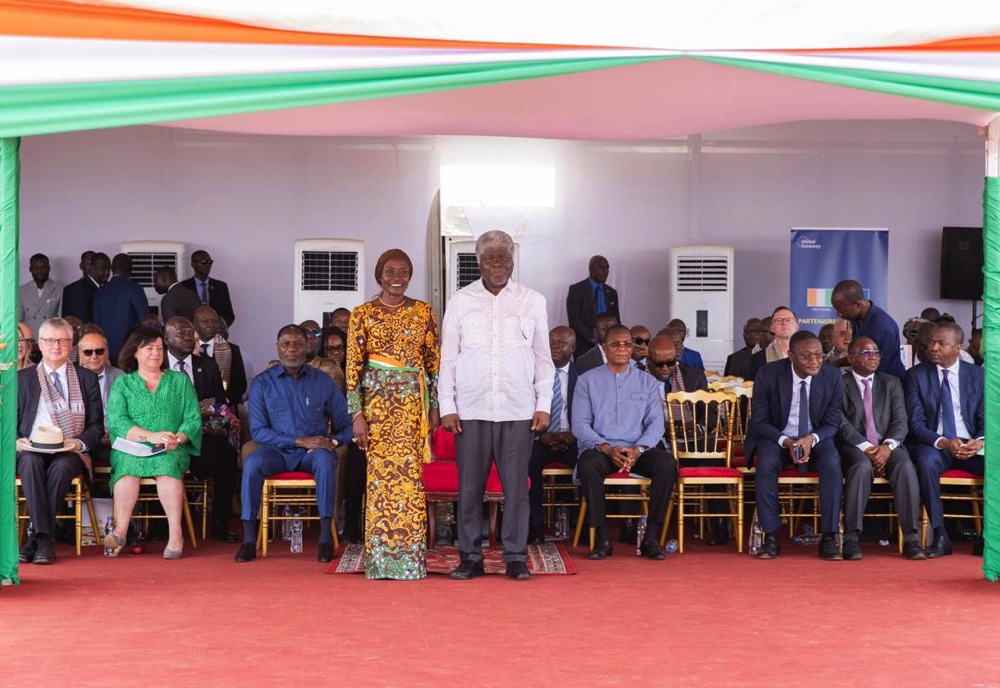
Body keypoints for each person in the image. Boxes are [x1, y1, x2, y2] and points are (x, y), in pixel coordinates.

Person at [439, 230, 553, 581]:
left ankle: (515, 557)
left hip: (518, 410)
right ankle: (470, 556)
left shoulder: (533, 301)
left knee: (516, 489)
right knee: (470, 488)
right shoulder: (460, 300)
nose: (497, 264)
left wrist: (543, 403)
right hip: (470, 410)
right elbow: (449, 358)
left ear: (513, 260)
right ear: (479, 262)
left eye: (503, 257)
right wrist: (447, 405)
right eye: (490, 258)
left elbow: (543, 358)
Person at [346, 249, 440, 580]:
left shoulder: (423, 312)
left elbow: (433, 363)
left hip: (413, 406)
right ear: (379, 275)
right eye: (390, 271)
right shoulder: (361, 314)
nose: (396, 276)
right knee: (380, 481)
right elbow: (353, 369)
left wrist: (435, 407)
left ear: (410, 275)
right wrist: (356, 414)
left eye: (403, 271)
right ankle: (382, 561)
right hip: (376, 407)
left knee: (410, 481)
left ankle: (410, 561)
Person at [236, 325, 352, 563]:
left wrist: (333, 441)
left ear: (308, 347)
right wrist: (298, 440)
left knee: (324, 460)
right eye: (286, 344)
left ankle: (324, 539)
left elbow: (346, 424)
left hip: (311, 453)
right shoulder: (262, 383)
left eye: (299, 344)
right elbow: (258, 431)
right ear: (278, 348)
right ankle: (248, 539)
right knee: (253, 462)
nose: (292, 349)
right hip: (275, 451)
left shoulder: (323, 381)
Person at [573, 325, 672, 561]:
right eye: (615, 344)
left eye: (627, 344)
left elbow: (656, 424)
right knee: (588, 465)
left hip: (637, 449)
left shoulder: (647, 382)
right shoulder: (587, 380)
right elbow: (579, 424)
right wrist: (607, 448)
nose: (622, 348)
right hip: (601, 448)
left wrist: (638, 449)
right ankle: (602, 538)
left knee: (667, 464)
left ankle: (650, 538)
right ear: (605, 348)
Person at [103, 326, 202, 559]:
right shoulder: (123, 384)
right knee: (127, 470)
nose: (155, 353)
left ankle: (175, 534)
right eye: (149, 348)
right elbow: (117, 422)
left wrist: (177, 438)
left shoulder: (179, 381)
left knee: (168, 469)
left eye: (159, 348)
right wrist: (150, 436)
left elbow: (193, 418)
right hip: (133, 446)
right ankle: (121, 531)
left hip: (171, 446)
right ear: (135, 353)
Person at [745, 330, 844, 560]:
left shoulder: (832, 376)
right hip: (777, 437)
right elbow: (759, 422)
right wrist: (787, 441)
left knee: (832, 462)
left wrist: (811, 439)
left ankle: (828, 537)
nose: (814, 361)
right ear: (791, 356)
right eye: (806, 356)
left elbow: (832, 422)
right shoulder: (768, 374)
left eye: (819, 355)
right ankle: (770, 537)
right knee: (766, 463)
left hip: (816, 438)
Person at [15, 318, 104, 565]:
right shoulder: (23, 378)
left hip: (68, 448)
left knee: (63, 466)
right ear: (40, 345)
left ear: (71, 344)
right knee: (30, 462)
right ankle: (44, 539)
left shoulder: (86, 378)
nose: (56, 346)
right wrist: (16, 442)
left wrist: (79, 443)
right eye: (50, 341)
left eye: (63, 340)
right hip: (31, 447)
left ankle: (36, 537)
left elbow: (97, 426)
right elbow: (10, 422)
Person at [837, 337, 924, 560]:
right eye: (866, 353)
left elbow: (901, 421)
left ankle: (911, 539)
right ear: (851, 358)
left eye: (876, 352)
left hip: (889, 445)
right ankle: (851, 538)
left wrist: (887, 446)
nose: (874, 357)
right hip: (855, 446)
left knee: (905, 466)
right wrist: (867, 447)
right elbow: (840, 422)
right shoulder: (839, 383)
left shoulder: (891, 382)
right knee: (861, 467)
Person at [904, 322, 984, 558]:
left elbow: (987, 418)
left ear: (958, 347)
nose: (933, 348)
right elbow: (915, 425)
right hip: (934, 443)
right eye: (931, 342)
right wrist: (945, 442)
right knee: (925, 462)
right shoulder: (915, 376)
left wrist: (979, 441)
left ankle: (988, 536)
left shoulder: (978, 376)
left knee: (996, 464)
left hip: (971, 444)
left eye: (942, 343)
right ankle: (940, 534)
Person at [164, 316, 240, 542]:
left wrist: (223, 424)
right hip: (166, 438)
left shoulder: (207, 366)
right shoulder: (157, 366)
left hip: (201, 436)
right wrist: (196, 414)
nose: (188, 338)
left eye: (190, 333)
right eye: (181, 333)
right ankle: (160, 527)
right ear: (166, 338)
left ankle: (219, 522)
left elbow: (218, 406)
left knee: (227, 454)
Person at [644, 334, 721, 543]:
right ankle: (638, 527)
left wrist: (695, 427)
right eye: (659, 364)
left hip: (690, 438)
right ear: (649, 361)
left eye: (670, 362)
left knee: (711, 449)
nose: (665, 368)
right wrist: (660, 429)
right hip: (654, 440)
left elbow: (711, 416)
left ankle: (720, 523)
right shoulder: (637, 377)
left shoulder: (693, 376)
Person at [527, 325, 580, 544]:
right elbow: (524, 409)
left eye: (562, 343)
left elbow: (591, 413)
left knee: (590, 462)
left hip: (574, 439)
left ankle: (583, 524)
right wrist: (542, 435)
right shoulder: (531, 373)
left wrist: (574, 435)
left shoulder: (585, 376)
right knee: (527, 463)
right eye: (551, 342)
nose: (555, 347)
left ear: (573, 348)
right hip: (540, 437)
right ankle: (535, 525)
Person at [831, 279, 905, 378]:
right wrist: (835, 363)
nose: (839, 314)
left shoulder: (883, 328)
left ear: (858, 305)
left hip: (887, 386)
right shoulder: (855, 316)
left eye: (842, 310)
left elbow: (879, 367)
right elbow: (859, 356)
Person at [93, 253, 149, 360]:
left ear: (112, 269)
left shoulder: (99, 292)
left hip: (103, 351)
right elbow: (145, 321)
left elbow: (96, 323)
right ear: (130, 270)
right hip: (129, 352)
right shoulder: (135, 289)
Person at [192, 305, 248, 408]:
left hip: (224, 407)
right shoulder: (187, 348)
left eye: (214, 321)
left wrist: (222, 402)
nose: (211, 325)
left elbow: (240, 383)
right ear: (194, 324)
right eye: (205, 321)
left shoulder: (232, 349)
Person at [566, 255, 620, 357]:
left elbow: (616, 319)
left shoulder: (611, 292)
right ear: (591, 269)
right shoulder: (576, 290)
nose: (606, 271)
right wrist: (593, 339)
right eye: (601, 267)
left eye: (607, 268)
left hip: (609, 346)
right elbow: (574, 320)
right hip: (584, 346)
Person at [180, 250, 235, 326]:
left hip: (216, 332)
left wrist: (219, 327)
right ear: (193, 264)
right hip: (192, 332)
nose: (207, 265)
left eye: (210, 262)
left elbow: (229, 315)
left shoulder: (221, 286)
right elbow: (181, 313)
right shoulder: (184, 286)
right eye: (203, 262)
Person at [748, 306, 799, 380]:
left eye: (789, 320)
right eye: (779, 320)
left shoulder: (808, 355)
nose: (784, 323)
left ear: (797, 326)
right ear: (772, 328)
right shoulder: (759, 358)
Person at [19, 253, 62, 338]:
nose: (40, 271)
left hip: (51, 338)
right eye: (37, 268)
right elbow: (19, 321)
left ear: (49, 268)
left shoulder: (59, 289)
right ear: (30, 269)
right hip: (30, 338)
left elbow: (61, 319)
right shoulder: (21, 291)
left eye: (43, 267)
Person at [62, 251, 110, 324]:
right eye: (103, 269)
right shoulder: (80, 290)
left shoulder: (109, 286)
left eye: (109, 269)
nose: (107, 273)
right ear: (92, 268)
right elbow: (84, 322)